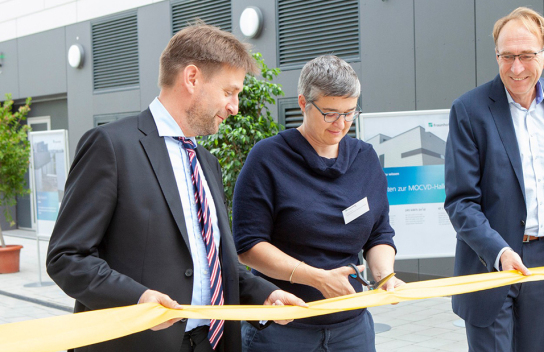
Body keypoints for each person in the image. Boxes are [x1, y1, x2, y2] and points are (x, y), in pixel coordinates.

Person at [46, 23, 306, 352]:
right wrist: (138, 298)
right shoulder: (111, 146)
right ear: (192, 77)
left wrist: (265, 293)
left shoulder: (207, 162)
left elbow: (214, 262)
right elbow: (67, 257)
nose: (234, 107)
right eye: (229, 92)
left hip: (210, 343)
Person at [232, 55, 404, 352]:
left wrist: (385, 275)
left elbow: (379, 233)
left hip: (352, 329)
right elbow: (247, 246)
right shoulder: (268, 159)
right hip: (283, 327)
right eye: (330, 113)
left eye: (350, 112)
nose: (342, 124)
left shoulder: (365, 158)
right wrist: (317, 279)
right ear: (303, 103)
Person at [444, 7, 544, 352]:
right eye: (507, 56)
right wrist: (499, 251)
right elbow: (461, 201)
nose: (516, 68)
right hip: (489, 262)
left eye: (525, 56)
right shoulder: (469, 110)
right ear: (497, 55)